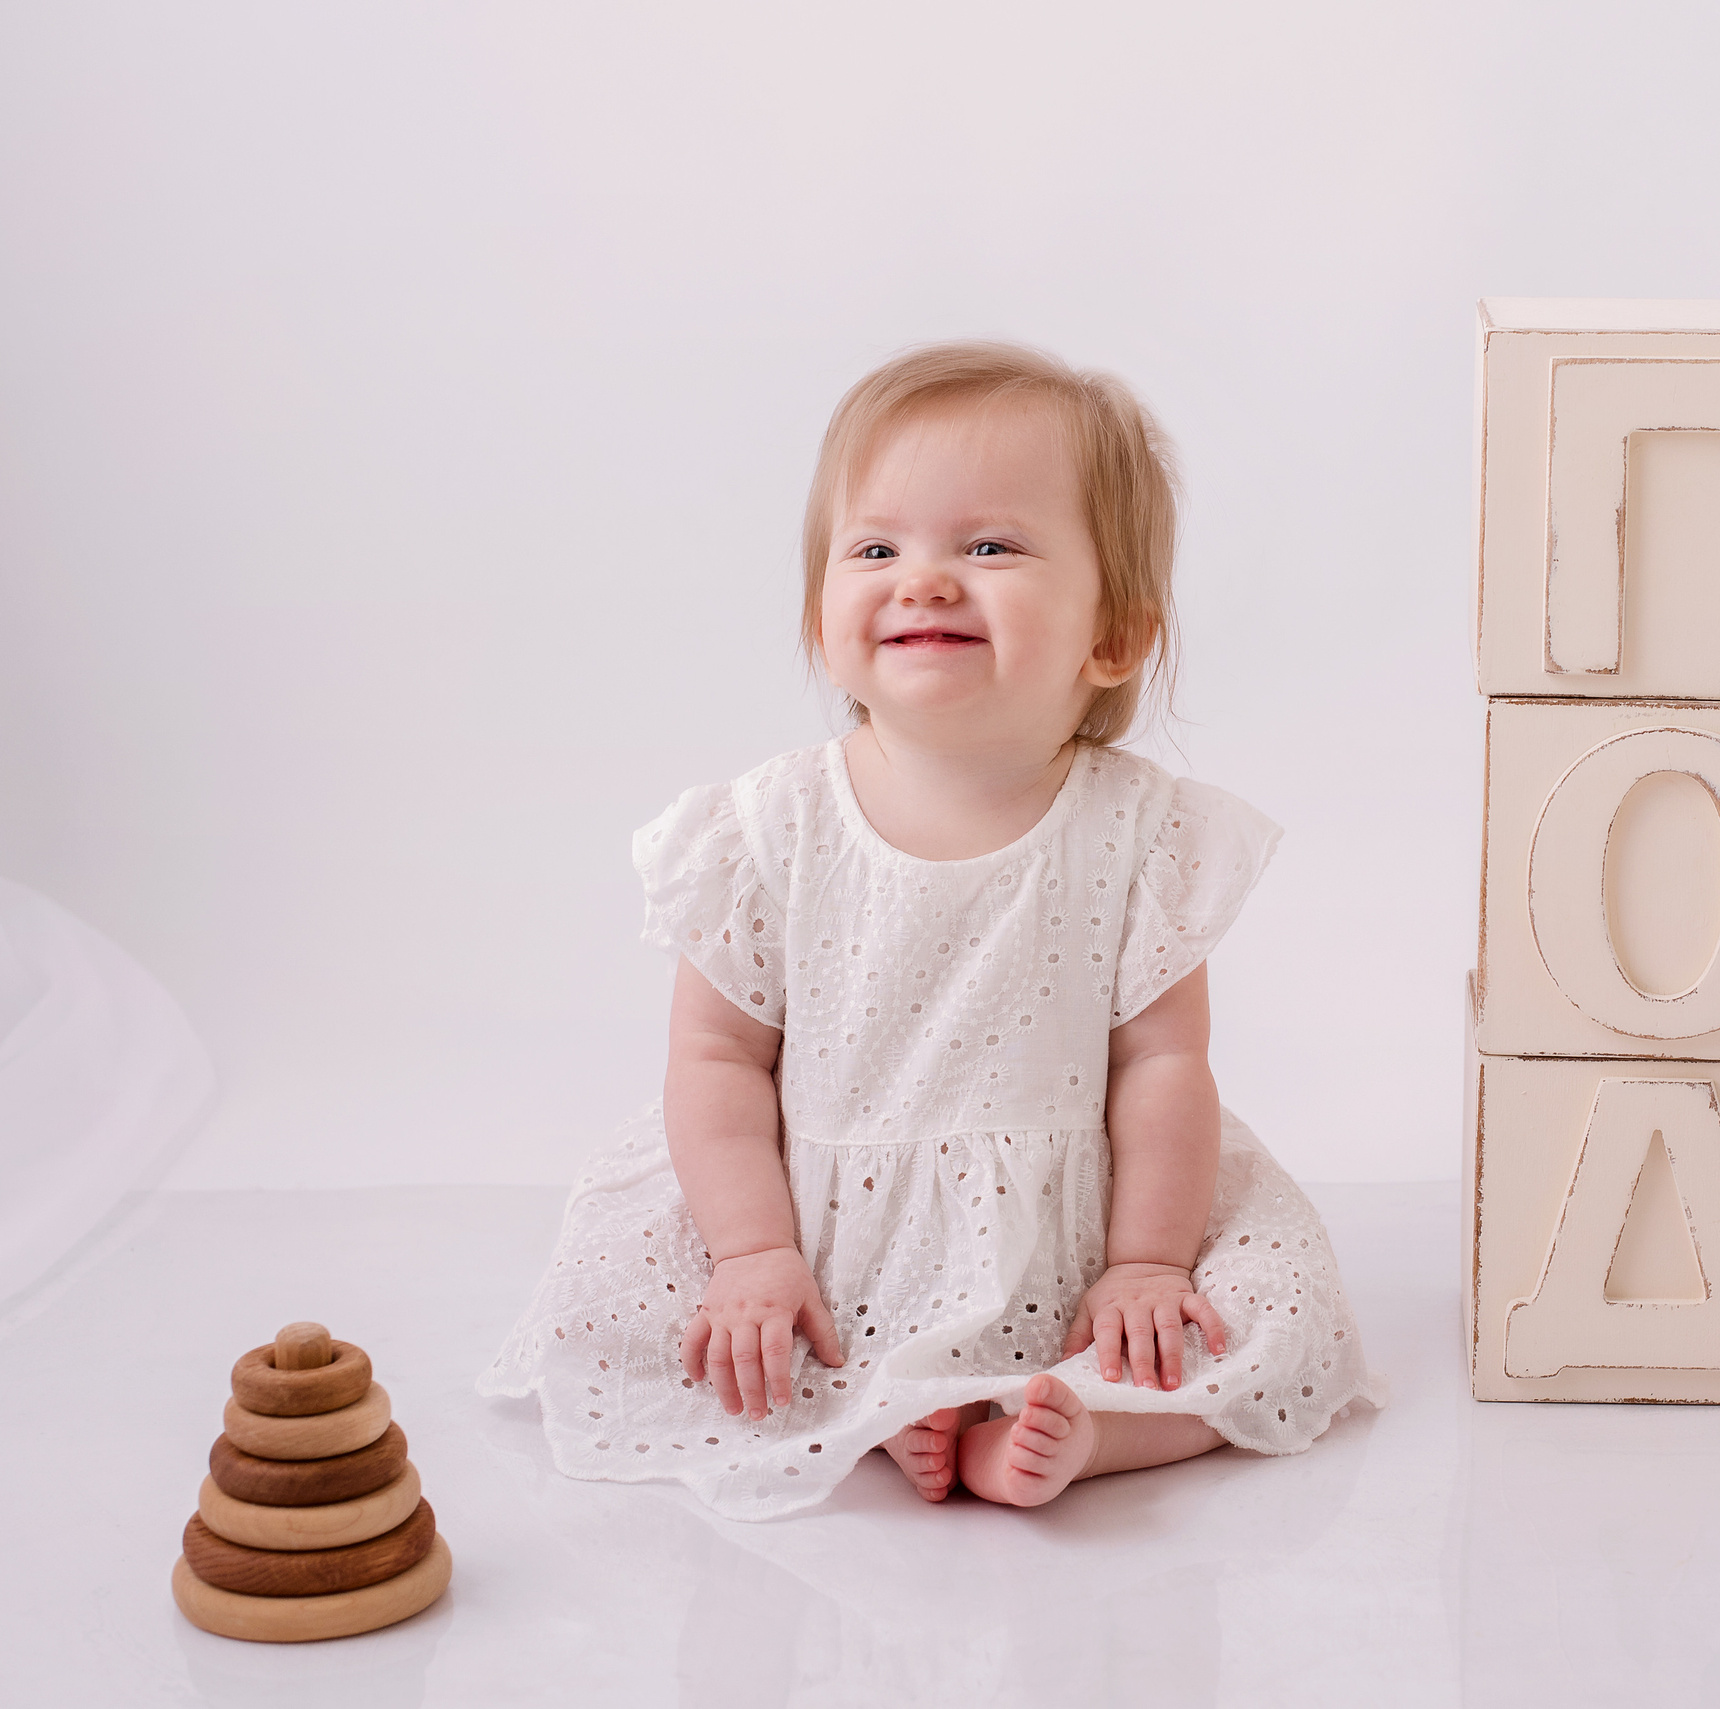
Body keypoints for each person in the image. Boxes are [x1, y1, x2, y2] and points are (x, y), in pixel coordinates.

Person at [480, 341, 1381, 1519]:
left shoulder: (1139, 834)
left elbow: (1164, 1062)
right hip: (815, 1236)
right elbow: (714, 1061)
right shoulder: (765, 830)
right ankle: (880, 1400)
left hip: (1073, 1236)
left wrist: (1147, 1262)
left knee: (1273, 1309)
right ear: (822, 609)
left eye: (990, 545)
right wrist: (751, 1253)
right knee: (647, 1317)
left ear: (1111, 635)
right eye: (874, 547)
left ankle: (1083, 1429)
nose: (924, 578)